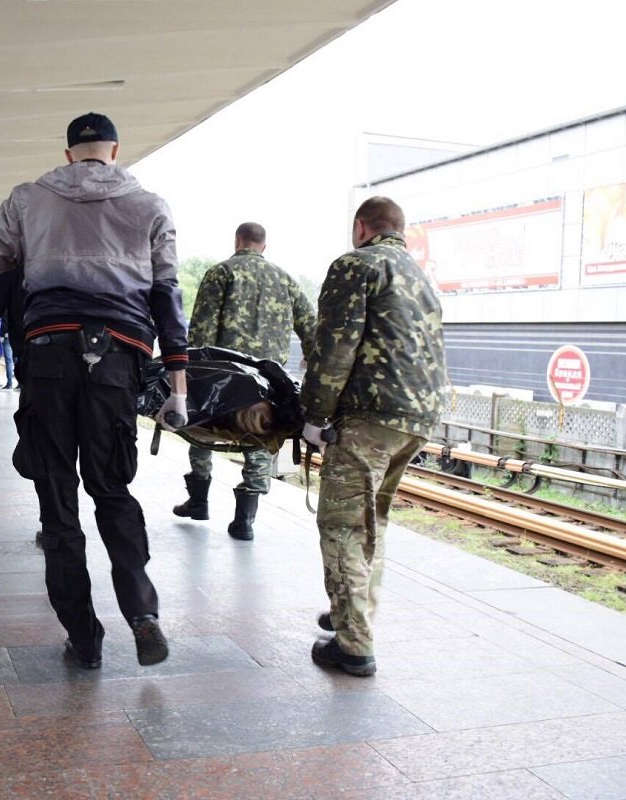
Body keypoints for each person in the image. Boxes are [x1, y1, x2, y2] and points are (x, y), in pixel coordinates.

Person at [0, 112, 189, 669]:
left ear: (69, 152)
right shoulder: (151, 206)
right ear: (115, 150)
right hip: (116, 361)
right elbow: (167, 296)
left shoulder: (30, 200)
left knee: (58, 500)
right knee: (112, 489)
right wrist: (178, 381)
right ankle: (142, 613)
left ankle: (85, 638)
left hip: (48, 359)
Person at [300, 196, 447, 677]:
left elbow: (335, 345)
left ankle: (354, 644)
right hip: (417, 419)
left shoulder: (356, 264)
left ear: (361, 228)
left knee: (343, 525)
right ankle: (352, 615)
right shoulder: (421, 277)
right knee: (372, 522)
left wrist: (314, 415)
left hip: (368, 417)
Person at [173, 222, 316, 540]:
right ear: (263, 246)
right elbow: (310, 326)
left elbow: (202, 329)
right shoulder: (285, 280)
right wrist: (310, 362)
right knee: (261, 438)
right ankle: (245, 521)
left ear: (237, 241)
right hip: (268, 379)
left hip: (227, 376)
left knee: (201, 429)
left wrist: (192, 372)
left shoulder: (221, 272)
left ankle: (198, 501)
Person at [0, 316, 16, 389]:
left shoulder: (6, 309)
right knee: (16, 359)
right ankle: (20, 383)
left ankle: (9, 383)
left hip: (7, 337)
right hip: (16, 336)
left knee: (9, 361)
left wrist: (1, 335)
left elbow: (4, 323)